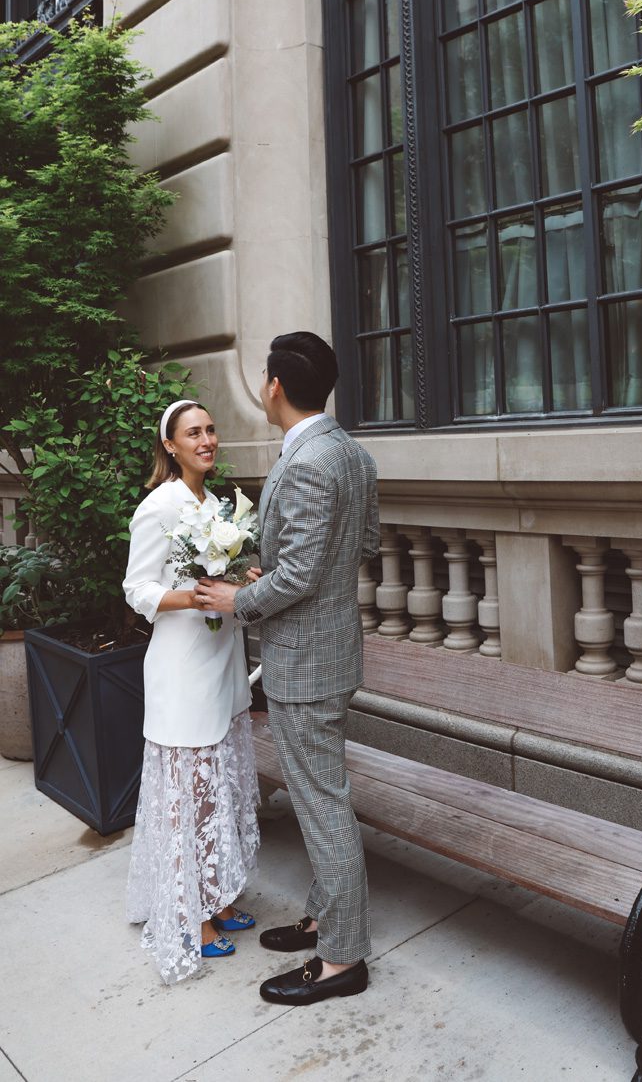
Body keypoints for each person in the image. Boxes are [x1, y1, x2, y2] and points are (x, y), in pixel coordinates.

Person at [197, 331, 379, 1007]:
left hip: (306, 662)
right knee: (318, 801)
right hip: (330, 651)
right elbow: (361, 543)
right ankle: (325, 918)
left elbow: (303, 569)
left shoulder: (306, 463)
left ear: (274, 386)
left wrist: (239, 598)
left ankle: (341, 960)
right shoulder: (352, 454)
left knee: (324, 807)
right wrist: (281, 573)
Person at [123, 399, 261, 984]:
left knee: (216, 794)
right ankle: (191, 917)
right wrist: (199, 597)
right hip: (181, 668)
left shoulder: (216, 504)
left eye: (210, 430)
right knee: (186, 795)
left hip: (221, 662)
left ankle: (219, 897)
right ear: (171, 447)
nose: (206, 439)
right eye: (193, 433)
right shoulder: (158, 507)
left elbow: (215, 578)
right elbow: (139, 590)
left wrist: (238, 582)